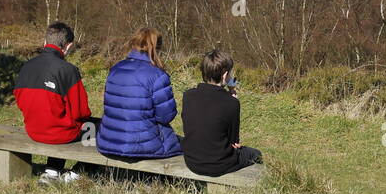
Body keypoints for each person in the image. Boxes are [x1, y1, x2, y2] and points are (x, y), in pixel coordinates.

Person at [14, 22, 94, 184]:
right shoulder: (68, 70)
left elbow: (19, 100)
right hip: (60, 134)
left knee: (57, 121)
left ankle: (52, 171)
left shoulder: (26, 66)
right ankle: (77, 173)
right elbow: (81, 112)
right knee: (93, 127)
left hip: (33, 129)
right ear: (68, 46)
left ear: (45, 42)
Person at [96, 28, 182, 160]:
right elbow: (165, 116)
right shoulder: (157, 75)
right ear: (157, 47)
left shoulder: (115, 69)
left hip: (108, 141)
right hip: (142, 145)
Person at [181, 48, 262, 177]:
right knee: (256, 154)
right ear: (225, 75)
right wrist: (233, 96)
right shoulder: (231, 103)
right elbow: (234, 142)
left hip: (192, 162)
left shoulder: (188, 95)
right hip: (219, 164)